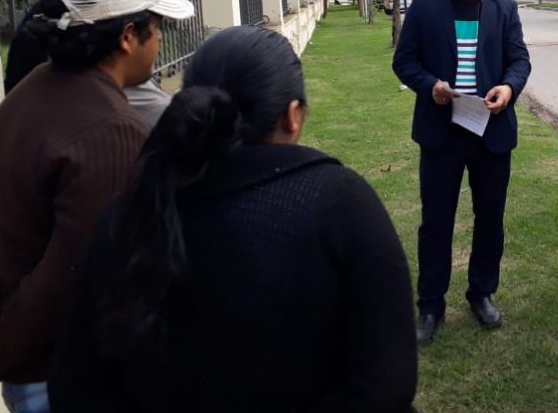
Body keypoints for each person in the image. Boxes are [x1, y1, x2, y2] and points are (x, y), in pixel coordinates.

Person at [46, 26, 417, 412]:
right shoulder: (339, 205)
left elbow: (75, 384)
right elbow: (386, 383)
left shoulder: (127, 214)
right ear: (293, 116)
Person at [0, 0, 194, 413]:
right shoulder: (110, 132)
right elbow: (69, 277)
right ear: (127, 37)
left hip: (31, 372)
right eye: (155, 30)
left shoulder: (27, 96)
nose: (159, 42)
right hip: (65, 375)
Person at [392, 0, 531, 345]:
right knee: (436, 222)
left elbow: (519, 61)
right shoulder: (426, 5)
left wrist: (508, 88)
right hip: (442, 131)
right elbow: (405, 61)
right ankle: (430, 306)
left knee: (491, 218)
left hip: (491, 130)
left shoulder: (504, 9)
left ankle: (481, 292)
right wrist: (430, 85)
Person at [3, 0, 172, 129]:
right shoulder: (115, 124)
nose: (159, 37)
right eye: (156, 28)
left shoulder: (36, 44)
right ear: (127, 36)